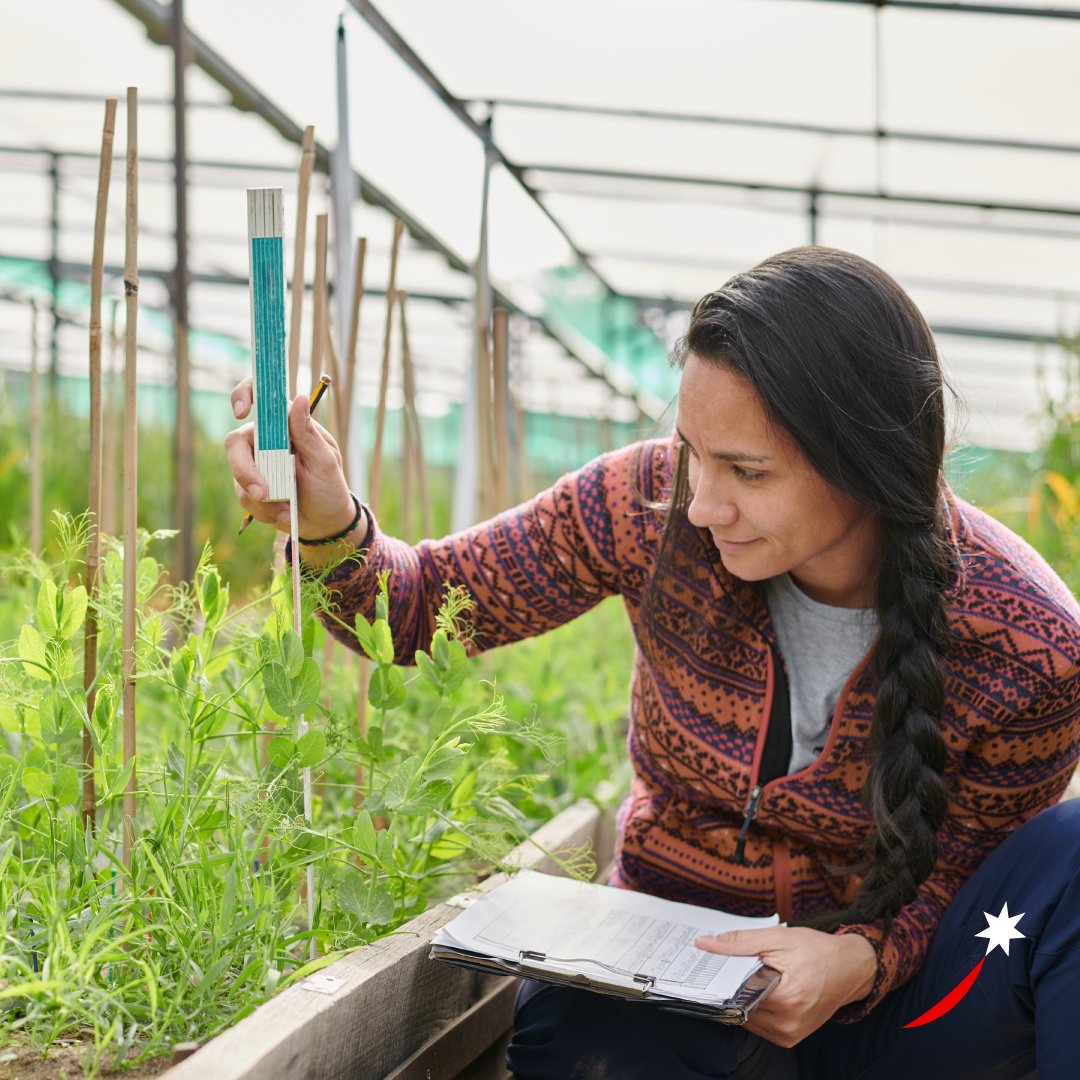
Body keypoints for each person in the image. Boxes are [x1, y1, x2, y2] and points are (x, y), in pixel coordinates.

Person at [226, 246, 1080, 1079]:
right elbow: (422, 608)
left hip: (894, 1013)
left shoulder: (1032, 645)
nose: (703, 503)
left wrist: (857, 960)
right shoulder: (644, 504)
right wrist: (331, 520)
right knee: (579, 1041)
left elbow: (965, 876)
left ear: (869, 464)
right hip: (674, 983)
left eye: (746, 471)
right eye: (693, 451)